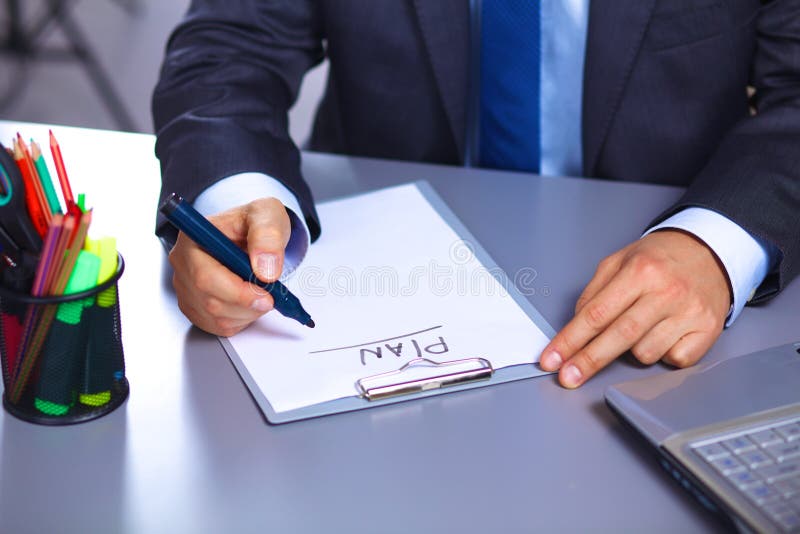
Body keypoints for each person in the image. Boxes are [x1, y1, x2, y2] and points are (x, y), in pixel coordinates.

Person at [152, 1, 800, 389]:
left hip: (659, 286)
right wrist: (231, 193)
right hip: (377, 278)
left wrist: (717, 244)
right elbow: (231, 45)